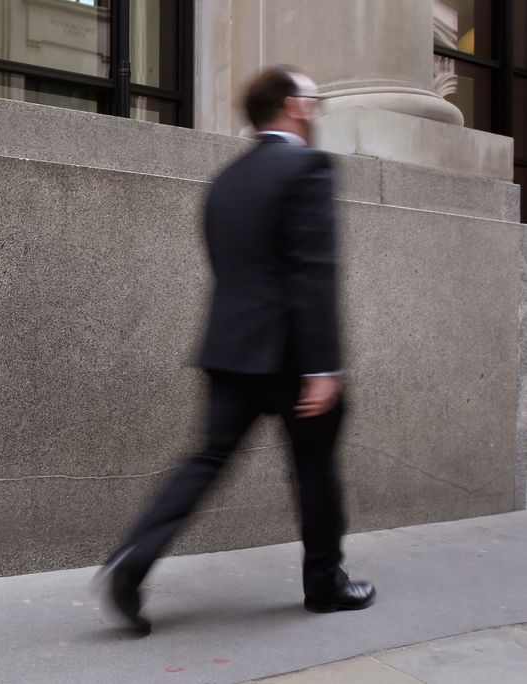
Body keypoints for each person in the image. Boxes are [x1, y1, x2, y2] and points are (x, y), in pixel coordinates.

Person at [98, 65, 375, 636]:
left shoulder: (227, 180)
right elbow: (313, 272)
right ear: (293, 107)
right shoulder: (307, 167)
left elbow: (233, 268)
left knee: (206, 460)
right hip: (294, 358)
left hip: (230, 349)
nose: (317, 108)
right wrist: (323, 366)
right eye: (313, 98)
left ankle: (133, 560)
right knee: (315, 470)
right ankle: (325, 584)